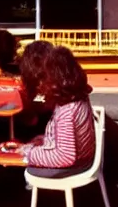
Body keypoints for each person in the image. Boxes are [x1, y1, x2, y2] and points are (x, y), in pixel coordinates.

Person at [23, 47, 95, 178]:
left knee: (28, 171)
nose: (41, 84)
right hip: (84, 158)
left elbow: (65, 157)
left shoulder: (66, 112)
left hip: (74, 166)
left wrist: (29, 153)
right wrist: (46, 141)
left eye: (43, 78)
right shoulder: (79, 99)